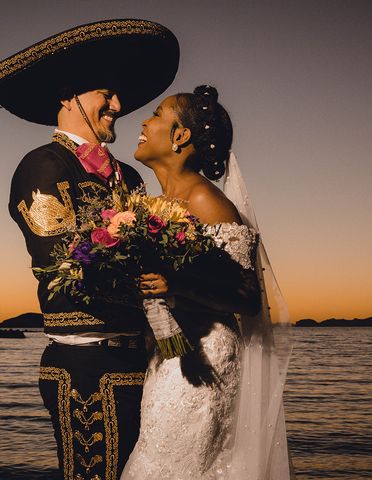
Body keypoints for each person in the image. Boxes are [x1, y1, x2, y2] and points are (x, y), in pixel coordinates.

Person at [0, 19, 179, 480]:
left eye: (117, 97)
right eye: (105, 95)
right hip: (87, 365)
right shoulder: (42, 165)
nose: (118, 106)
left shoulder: (129, 176)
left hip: (141, 358)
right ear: (69, 97)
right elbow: (63, 264)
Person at [120, 85, 294, 479]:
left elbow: (248, 298)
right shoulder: (148, 205)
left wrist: (176, 285)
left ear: (180, 136)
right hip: (169, 355)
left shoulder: (205, 201)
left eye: (157, 114)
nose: (144, 123)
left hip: (205, 359)